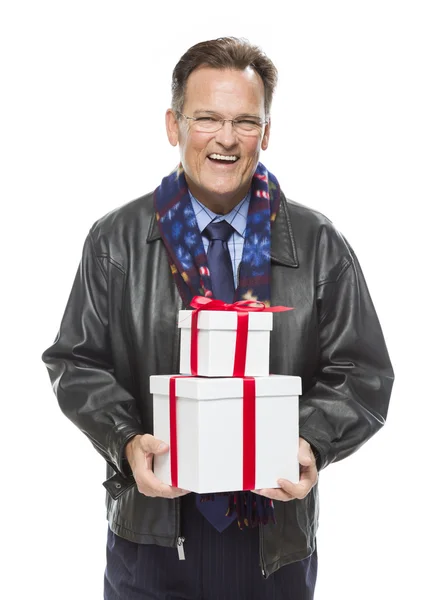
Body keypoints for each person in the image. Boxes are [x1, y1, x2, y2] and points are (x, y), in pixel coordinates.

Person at [42, 37, 394, 600]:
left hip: (273, 539)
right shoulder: (117, 241)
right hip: (152, 535)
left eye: (244, 121)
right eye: (206, 118)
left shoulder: (319, 243)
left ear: (267, 131)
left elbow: (365, 373)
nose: (226, 139)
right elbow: (76, 362)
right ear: (173, 124)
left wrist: (309, 443)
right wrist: (127, 441)